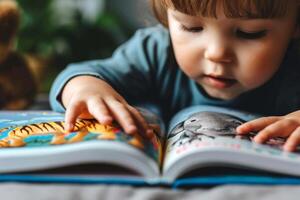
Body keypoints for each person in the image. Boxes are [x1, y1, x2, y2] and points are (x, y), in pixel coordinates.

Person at [50, 0, 300, 152]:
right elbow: (80, 74)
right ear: (168, 19)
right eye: (191, 27)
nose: (216, 53)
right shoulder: (155, 51)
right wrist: (85, 89)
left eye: (249, 33)